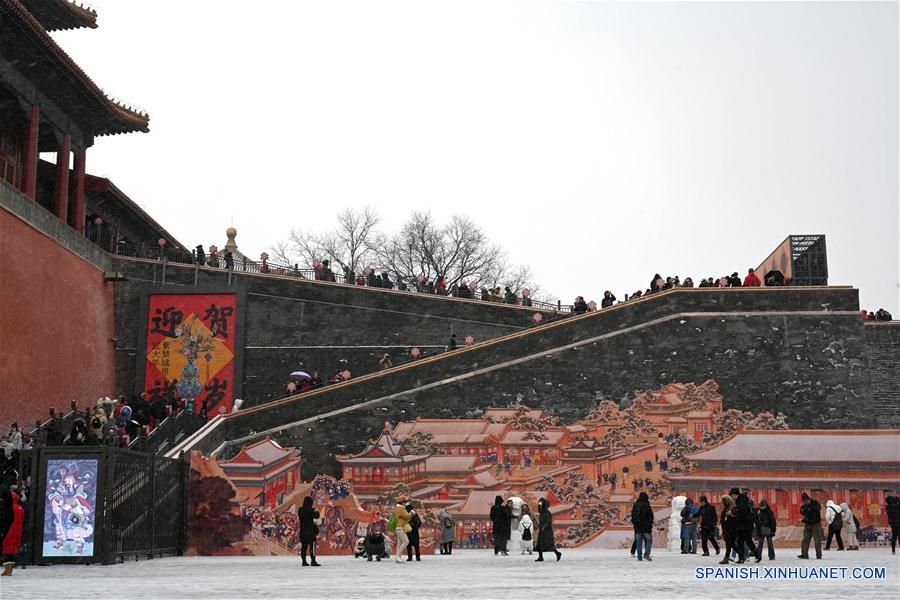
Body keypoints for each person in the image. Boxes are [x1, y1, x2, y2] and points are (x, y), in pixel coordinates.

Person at [1, 488, 22, 576]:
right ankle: (11, 568)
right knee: (12, 549)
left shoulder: (6, 507)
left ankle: (7, 570)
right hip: (17, 531)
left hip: (8, 530)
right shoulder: (20, 508)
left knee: (6, 550)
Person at [734, 493, 761, 563]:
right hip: (746, 527)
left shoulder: (743, 507)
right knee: (745, 542)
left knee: (744, 542)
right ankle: (744, 557)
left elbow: (742, 517)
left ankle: (744, 558)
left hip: (744, 527)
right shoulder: (748, 507)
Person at [798, 492, 823, 559]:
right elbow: (802, 512)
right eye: (803, 501)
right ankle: (804, 554)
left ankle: (819, 555)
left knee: (817, 540)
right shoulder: (804, 506)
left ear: (809, 499)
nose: (805, 502)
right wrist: (803, 508)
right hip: (807, 524)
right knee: (805, 539)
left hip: (815, 524)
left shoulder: (815, 504)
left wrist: (808, 510)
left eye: (806, 501)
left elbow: (814, 514)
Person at [297, 496, 321, 566]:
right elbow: (317, 516)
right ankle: (313, 561)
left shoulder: (300, 510)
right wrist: (315, 510)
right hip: (310, 531)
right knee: (312, 546)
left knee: (304, 547)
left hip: (303, 531)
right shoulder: (311, 510)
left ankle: (304, 561)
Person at [630, 491, 654, 562]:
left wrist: (635, 523)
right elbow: (650, 516)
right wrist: (650, 523)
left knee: (638, 542)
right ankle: (646, 554)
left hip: (637, 527)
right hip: (646, 527)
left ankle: (639, 556)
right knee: (649, 540)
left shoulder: (636, 505)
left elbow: (633, 515)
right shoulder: (647, 505)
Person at [719, 494, 737, 565]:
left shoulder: (729, 510)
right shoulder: (729, 509)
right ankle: (727, 558)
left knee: (730, 544)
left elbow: (729, 520)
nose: (721, 503)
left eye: (722, 502)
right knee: (730, 544)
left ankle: (742, 555)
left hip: (729, 530)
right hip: (728, 530)